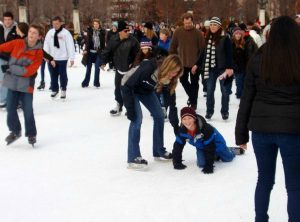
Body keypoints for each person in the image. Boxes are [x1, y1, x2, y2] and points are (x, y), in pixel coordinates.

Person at [235, 16, 300, 222]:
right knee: (295, 185)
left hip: (262, 130)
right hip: (292, 130)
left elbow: (247, 98)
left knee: (264, 179)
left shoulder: (258, 57)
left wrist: (241, 133)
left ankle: (260, 219)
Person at [122, 54, 183, 170]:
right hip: (129, 88)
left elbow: (171, 99)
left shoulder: (170, 78)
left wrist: (175, 123)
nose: (174, 74)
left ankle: (158, 151)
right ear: (168, 66)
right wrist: (130, 110)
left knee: (160, 115)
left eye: (177, 72)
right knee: (137, 119)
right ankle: (133, 158)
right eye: (173, 71)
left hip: (145, 90)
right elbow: (128, 86)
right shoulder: (149, 68)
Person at [0, 24, 44, 146]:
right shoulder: (18, 43)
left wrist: (10, 67)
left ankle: (31, 134)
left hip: (26, 85)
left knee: (28, 110)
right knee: (10, 108)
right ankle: (15, 131)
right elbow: (2, 47)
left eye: (34, 33)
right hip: (12, 82)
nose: (31, 34)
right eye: (30, 31)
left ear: (39, 37)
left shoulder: (39, 53)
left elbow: (29, 71)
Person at [173, 107, 244, 173]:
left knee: (228, 159)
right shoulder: (182, 131)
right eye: (184, 119)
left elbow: (210, 147)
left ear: (194, 119)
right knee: (201, 164)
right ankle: (216, 155)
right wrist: (177, 162)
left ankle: (231, 150)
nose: (187, 121)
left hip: (217, 144)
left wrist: (209, 166)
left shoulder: (206, 129)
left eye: (189, 118)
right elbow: (177, 146)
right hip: (202, 147)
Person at [192, 17, 233, 120]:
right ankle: (209, 111)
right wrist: (196, 64)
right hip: (210, 69)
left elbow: (229, 54)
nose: (212, 27)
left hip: (223, 69)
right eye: (211, 25)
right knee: (209, 90)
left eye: (215, 25)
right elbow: (203, 53)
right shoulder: (207, 38)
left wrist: (229, 67)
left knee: (224, 91)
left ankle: (225, 112)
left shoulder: (225, 38)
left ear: (219, 26)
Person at [101, 20, 140, 116]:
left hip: (130, 70)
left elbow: (139, 55)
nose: (128, 32)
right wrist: (103, 62)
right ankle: (119, 105)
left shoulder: (133, 40)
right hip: (119, 69)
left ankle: (131, 107)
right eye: (125, 31)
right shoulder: (113, 40)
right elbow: (107, 51)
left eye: (128, 30)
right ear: (120, 31)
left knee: (129, 90)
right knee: (118, 89)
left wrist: (134, 64)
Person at [169, 13, 205, 110]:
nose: (187, 25)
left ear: (192, 21)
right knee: (183, 80)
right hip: (182, 63)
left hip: (195, 64)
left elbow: (202, 51)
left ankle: (194, 103)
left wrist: (197, 64)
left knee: (194, 83)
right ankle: (192, 97)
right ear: (183, 22)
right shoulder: (178, 32)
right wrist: (172, 60)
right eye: (185, 23)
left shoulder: (198, 33)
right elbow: (172, 47)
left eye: (189, 23)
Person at [43, 16, 75, 99]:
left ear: (60, 23)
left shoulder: (66, 33)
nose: (55, 25)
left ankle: (63, 89)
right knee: (53, 75)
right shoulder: (50, 32)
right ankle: (54, 89)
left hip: (62, 58)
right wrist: (46, 55)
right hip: (52, 58)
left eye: (57, 23)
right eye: (53, 24)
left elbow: (70, 45)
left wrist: (72, 57)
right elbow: (46, 44)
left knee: (62, 75)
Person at [0, 11, 17, 109]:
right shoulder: (0, 29)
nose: (7, 21)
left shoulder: (16, 29)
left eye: (9, 19)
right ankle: (2, 100)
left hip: (12, 59)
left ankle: (14, 101)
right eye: (5, 19)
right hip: (1, 58)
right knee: (2, 79)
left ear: (12, 20)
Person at [81, 19, 105, 88]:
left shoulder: (102, 33)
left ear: (99, 25)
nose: (96, 25)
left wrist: (104, 53)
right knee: (88, 68)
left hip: (98, 53)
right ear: (93, 25)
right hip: (90, 53)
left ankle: (96, 83)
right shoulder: (90, 32)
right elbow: (88, 42)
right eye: (94, 24)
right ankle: (85, 83)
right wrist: (86, 50)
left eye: (97, 24)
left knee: (97, 68)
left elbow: (103, 44)